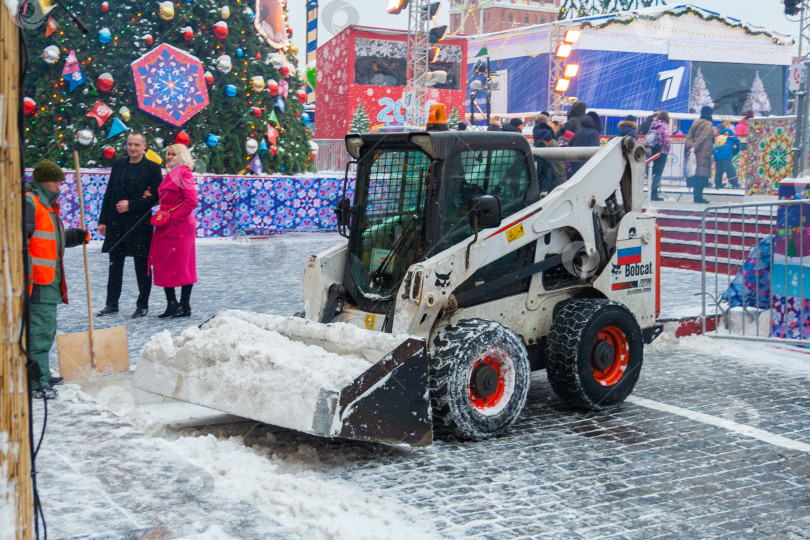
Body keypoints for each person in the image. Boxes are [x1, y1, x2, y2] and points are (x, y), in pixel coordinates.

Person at [25, 160, 89, 399]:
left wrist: (72, 236)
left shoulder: (47, 207)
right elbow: (22, 241)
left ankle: (40, 372)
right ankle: (36, 381)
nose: (59, 186)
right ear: (44, 181)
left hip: (49, 280)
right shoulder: (31, 203)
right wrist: (27, 272)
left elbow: (51, 238)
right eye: (56, 181)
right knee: (39, 331)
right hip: (37, 281)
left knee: (45, 330)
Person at [97, 132, 162, 318]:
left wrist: (131, 205)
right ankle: (111, 304)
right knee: (114, 264)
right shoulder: (118, 165)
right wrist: (103, 220)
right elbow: (109, 193)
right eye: (129, 144)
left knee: (141, 266)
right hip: (116, 222)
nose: (132, 148)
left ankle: (142, 304)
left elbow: (156, 197)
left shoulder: (152, 168)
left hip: (139, 224)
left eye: (136, 145)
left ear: (144, 146)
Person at [149, 144, 199, 318]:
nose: (169, 157)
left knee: (183, 264)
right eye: (168, 154)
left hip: (180, 226)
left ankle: (184, 305)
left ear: (182, 156)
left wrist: (173, 218)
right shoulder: (171, 174)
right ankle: (174, 304)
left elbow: (191, 201)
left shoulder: (184, 173)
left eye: (174, 154)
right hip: (168, 224)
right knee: (165, 263)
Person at [685, 105, 715, 204]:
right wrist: (695, 148)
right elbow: (702, 137)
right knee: (701, 176)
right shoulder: (708, 123)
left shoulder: (696, 122)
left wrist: (690, 146)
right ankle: (698, 197)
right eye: (711, 113)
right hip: (702, 153)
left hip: (695, 153)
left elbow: (689, 136)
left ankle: (697, 196)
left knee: (696, 175)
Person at [568, 111, 602, 176]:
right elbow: (594, 149)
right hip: (587, 164)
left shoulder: (578, 132)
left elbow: (571, 144)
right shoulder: (594, 133)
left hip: (576, 162)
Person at [648, 111, 672, 201]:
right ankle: (654, 194)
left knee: (652, 172)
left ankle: (651, 193)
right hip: (661, 152)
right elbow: (666, 141)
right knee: (658, 174)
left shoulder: (653, 125)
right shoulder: (665, 126)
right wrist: (667, 149)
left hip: (652, 151)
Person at [713, 121, 740, 189]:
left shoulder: (719, 137)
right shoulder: (731, 137)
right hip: (726, 156)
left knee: (719, 170)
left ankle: (717, 184)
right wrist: (734, 152)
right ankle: (734, 184)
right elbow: (738, 141)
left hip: (717, 155)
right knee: (730, 170)